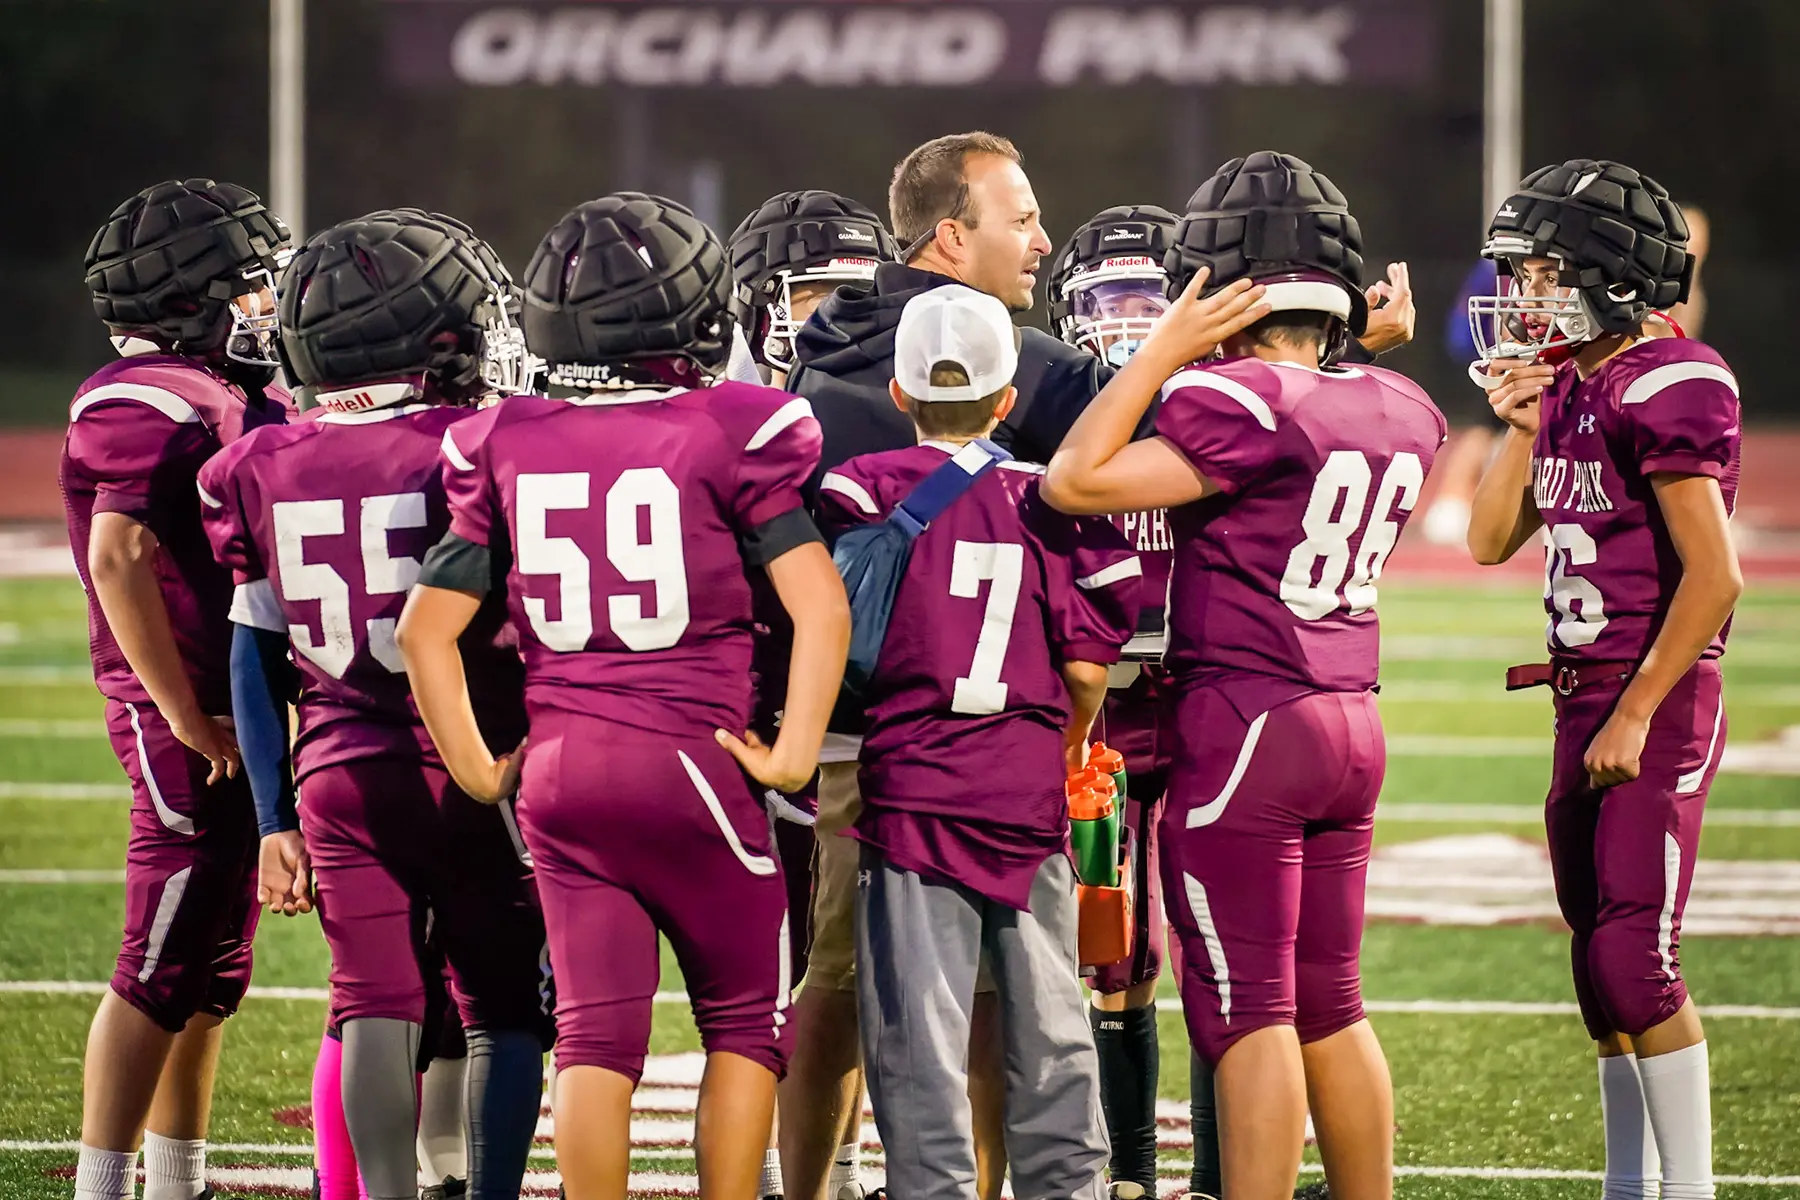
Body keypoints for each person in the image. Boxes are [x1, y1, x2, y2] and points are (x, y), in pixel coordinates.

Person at [394, 192, 850, 1200]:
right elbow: (819, 610)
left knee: (597, 1036)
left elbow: (426, 631)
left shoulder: (503, 436)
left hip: (558, 771)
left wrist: (479, 770)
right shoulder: (741, 425)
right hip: (693, 757)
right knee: (743, 1021)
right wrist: (793, 754)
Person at [1042, 150, 1446, 1200]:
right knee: (1333, 1002)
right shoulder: (1404, 403)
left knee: (1250, 1008)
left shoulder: (1241, 397)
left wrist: (1166, 353)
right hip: (1350, 716)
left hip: (1247, 722)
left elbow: (1077, 477)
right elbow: (1320, 397)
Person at [198, 208, 554, 1200]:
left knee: (372, 1004)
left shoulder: (256, 463)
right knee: (501, 1008)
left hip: (336, 773)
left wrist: (273, 819)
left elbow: (253, 651)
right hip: (467, 759)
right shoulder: (477, 440)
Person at [814, 284, 1142, 1200]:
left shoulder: (861, 488)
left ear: (900, 392)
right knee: (1051, 1029)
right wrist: (1063, 740)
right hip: (1021, 797)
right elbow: (1087, 670)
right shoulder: (1050, 500)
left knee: (919, 1034)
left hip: (911, 799)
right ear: (1008, 400)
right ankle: (1064, 1189)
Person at [1465, 159, 1738, 1200]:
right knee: (1594, 960)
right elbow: (1491, 538)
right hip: (1578, 693)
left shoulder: (1676, 378)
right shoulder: (1573, 385)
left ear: (1607, 273)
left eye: (1542, 271)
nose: (1524, 294)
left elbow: (1714, 579)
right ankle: (1631, 1182)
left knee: (1635, 958)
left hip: (1651, 695)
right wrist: (1525, 422)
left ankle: (1693, 1187)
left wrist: (1634, 711)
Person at [62, 178, 292, 1200]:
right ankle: (102, 1186)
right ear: (192, 300)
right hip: (182, 706)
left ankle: (176, 1179)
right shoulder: (146, 396)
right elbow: (118, 556)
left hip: (225, 703)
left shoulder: (219, 387)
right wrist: (178, 711)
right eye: (249, 287)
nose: (267, 305)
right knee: (159, 960)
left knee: (213, 964)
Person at [727, 188, 897, 1200]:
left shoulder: (863, 398)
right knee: (771, 974)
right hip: (745, 726)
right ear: (756, 306)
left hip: (844, 729)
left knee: (843, 966)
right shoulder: (732, 407)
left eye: (852, 293)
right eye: (812, 294)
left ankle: (834, 1170)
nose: (832, 315)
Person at [1045, 202, 1180, 1200]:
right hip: (1102, 726)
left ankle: (1216, 1171)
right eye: (1106, 301)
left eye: (1149, 300)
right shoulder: (1058, 407)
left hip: (1205, 708)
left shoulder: (1221, 401)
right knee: (1109, 941)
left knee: (1232, 958)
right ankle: (1125, 1173)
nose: (1128, 320)